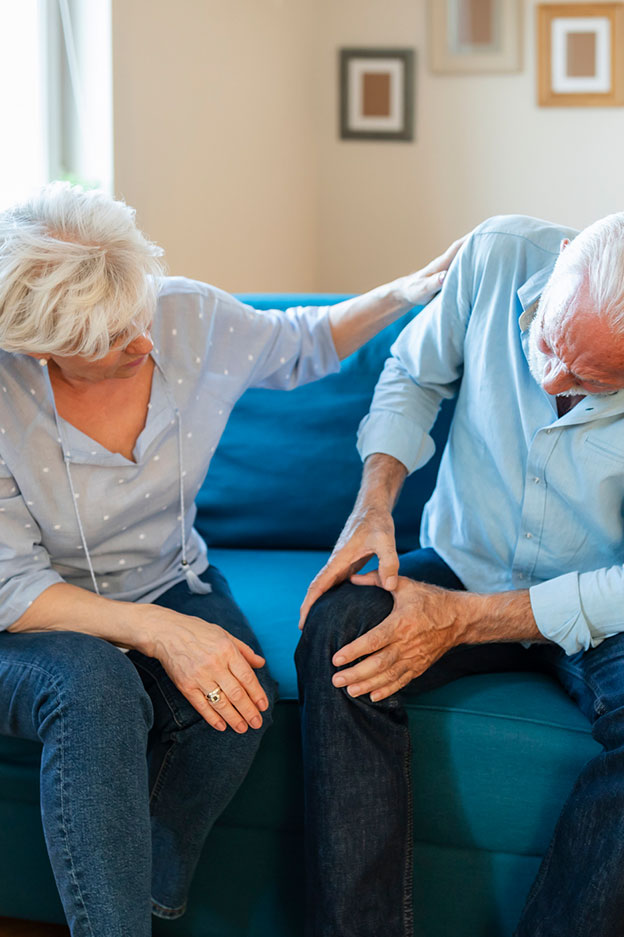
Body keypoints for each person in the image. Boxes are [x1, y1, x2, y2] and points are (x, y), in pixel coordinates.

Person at [0, 181, 461, 937]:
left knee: (238, 704)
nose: (145, 343)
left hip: (169, 577)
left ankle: (136, 895)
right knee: (100, 690)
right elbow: (12, 586)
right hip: (32, 618)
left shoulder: (183, 316)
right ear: (44, 348)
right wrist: (156, 634)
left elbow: (307, 341)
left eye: (138, 315)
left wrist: (402, 291)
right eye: (114, 341)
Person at [296, 211, 624, 937]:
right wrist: (373, 500)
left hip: (603, 603)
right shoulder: (499, 255)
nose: (551, 379)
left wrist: (468, 620)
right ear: (564, 258)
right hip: (463, 560)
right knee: (338, 628)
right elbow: (414, 372)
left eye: (593, 380)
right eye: (546, 340)